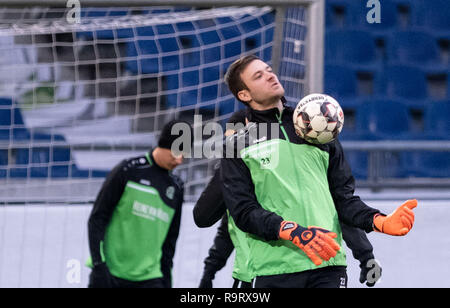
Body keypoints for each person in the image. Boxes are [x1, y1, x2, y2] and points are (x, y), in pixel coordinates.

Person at [219, 54, 417, 288]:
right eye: (258, 76)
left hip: (328, 265)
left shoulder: (317, 126)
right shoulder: (238, 144)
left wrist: (378, 220)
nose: (270, 75)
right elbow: (243, 211)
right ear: (244, 95)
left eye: (269, 69)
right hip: (273, 269)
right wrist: (292, 231)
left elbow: (343, 200)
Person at [196, 109, 381, 288]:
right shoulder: (234, 179)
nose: (234, 144)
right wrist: (209, 272)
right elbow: (224, 231)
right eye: (230, 140)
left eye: (238, 136)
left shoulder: (282, 172)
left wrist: (365, 255)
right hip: (252, 274)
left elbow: (337, 209)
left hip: (310, 268)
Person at [87, 119, 192, 288]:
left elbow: (170, 242)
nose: (179, 161)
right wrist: (99, 265)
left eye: (184, 155)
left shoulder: (176, 187)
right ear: (163, 145)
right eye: (175, 154)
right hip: (111, 274)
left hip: (150, 278)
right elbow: (97, 218)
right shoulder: (128, 171)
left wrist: (167, 281)